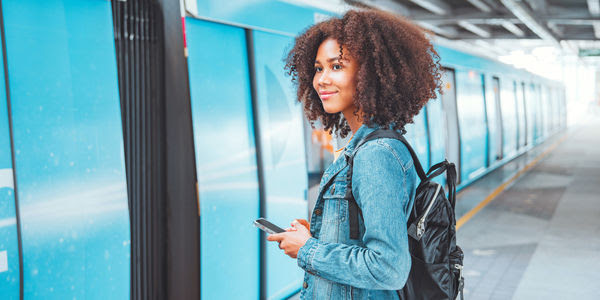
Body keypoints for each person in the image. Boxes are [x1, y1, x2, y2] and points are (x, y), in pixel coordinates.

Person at [266, 9, 442, 299]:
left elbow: (388, 268)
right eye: (318, 68)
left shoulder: (375, 154)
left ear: (369, 74)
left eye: (336, 66)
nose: (321, 79)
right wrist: (321, 235)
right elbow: (362, 241)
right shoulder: (368, 145)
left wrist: (307, 249)